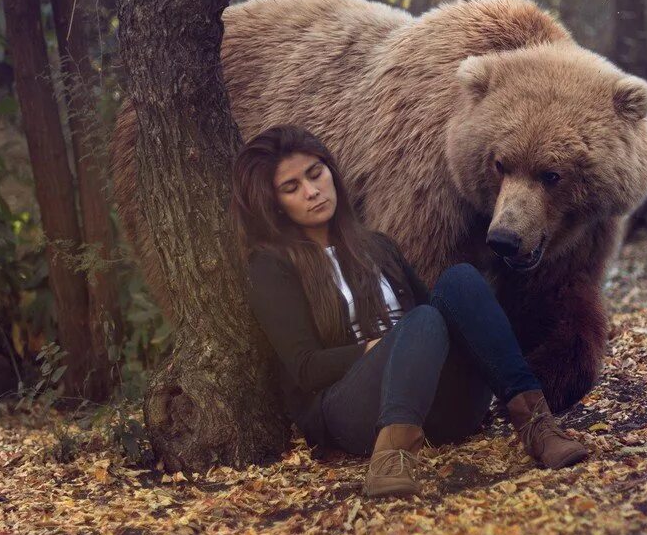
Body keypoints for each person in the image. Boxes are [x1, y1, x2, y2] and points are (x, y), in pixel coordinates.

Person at [232, 125, 589, 498]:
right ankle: (391, 459)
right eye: (291, 188)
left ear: (331, 172)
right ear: (274, 204)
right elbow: (305, 368)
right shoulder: (271, 267)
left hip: (443, 407)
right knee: (423, 319)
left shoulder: (378, 247)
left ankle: (537, 425)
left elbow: (430, 316)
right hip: (353, 413)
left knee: (460, 280)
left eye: (315, 173)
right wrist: (375, 348)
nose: (312, 191)